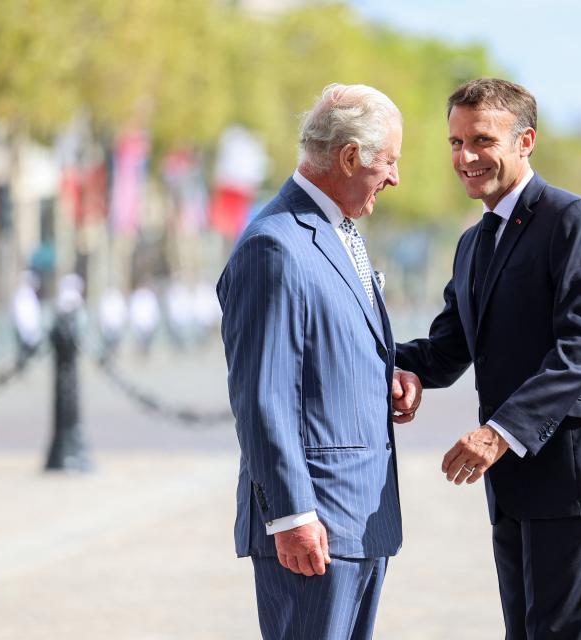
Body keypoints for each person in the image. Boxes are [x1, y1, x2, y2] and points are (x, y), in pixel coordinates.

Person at [396, 78, 581, 639]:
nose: (466, 157)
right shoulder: (473, 244)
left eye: (482, 140)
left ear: (525, 140)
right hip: (511, 482)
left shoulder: (574, 220)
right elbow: (445, 350)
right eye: (456, 143)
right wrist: (365, 356)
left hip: (572, 478)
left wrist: (496, 433)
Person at [217, 83, 421, 640]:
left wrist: (387, 377)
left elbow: (327, 349)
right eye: (390, 161)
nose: (395, 177)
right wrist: (290, 515)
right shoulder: (275, 245)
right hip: (315, 527)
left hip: (358, 521)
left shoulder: (337, 233)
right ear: (351, 156)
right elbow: (263, 395)